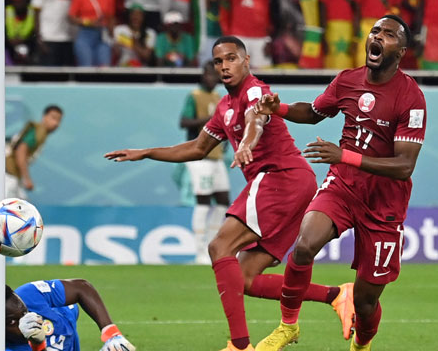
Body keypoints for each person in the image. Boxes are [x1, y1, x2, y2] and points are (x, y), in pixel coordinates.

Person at [106, 36, 349, 351]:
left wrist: (247, 143)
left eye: (231, 58)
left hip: (281, 179)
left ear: (246, 61)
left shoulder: (255, 91)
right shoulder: (224, 107)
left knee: (220, 246)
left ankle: (239, 345)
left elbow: (256, 118)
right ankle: (338, 295)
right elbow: (197, 148)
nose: (224, 66)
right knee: (245, 278)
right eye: (219, 61)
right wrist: (147, 152)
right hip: (291, 184)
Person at [254, 15, 426, 351]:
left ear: (401, 51)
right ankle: (288, 326)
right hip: (344, 186)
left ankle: (362, 344)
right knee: (304, 246)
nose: (378, 37)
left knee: (365, 302)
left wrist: (344, 156)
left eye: (388, 35)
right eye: (375, 31)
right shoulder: (347, 80)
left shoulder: (411, 97)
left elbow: (405, 166)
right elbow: (315, 112)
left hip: (384, 203)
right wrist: (282, 108)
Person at [0, 279, 135, 351]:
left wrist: (111, 333)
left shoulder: (28, 295)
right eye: (19, 318)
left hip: (65, 316)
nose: (28, 315)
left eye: (23, 309)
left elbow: (81, 288)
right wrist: (38, 344)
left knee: (71, 307)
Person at [180, 61, 230, 264]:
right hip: (199, 156)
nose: (212, 78)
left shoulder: (219, 97)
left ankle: (212, 245)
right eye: (209, 74)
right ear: (203, 75)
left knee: (223, 201)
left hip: (217, 156)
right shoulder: (194, 96)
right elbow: (183, 122)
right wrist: (209, 119)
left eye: (215, 75)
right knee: (203, 201)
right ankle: (199, 250)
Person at [6, 105, 63, 199]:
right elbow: (21, 151)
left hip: (14, 176)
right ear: (44, 117)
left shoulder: (41, 133)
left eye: (59, 120)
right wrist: (27, 179)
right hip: (8, 175)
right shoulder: (39, 131)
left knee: (24, 206)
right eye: (53, 118)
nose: (56, 123)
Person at [68, 0, 116, 67]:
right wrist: (88, 22)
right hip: (85, 35)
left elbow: (111, 18)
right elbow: (71, 17)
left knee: (104, 67)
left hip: (102, 35)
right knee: (86, 67)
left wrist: (113, 39)